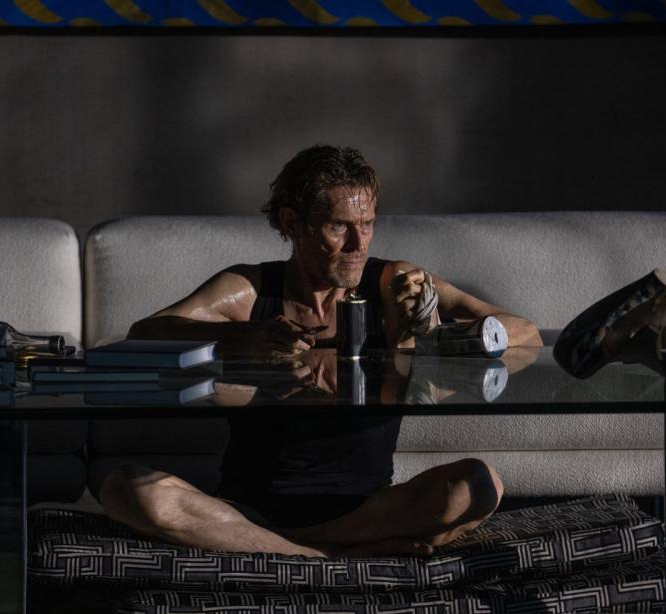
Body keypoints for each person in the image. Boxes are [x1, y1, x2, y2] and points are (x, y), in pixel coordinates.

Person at [99, 145, 541, 558]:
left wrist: (433, 333)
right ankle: (323, 554)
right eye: (338, 227)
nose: (358, 245)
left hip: (366, 511)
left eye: (366, 224)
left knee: (480, 484)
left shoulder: (394, 284)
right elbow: (144, 334)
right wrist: (240, 338)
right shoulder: (252, 289)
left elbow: (527, 335)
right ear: (293, 223)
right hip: (245, 509)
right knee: (124, 487)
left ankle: (286, 550)